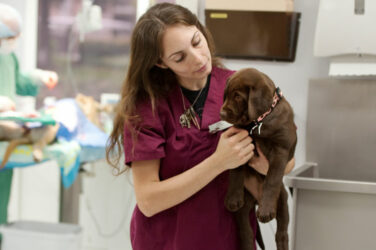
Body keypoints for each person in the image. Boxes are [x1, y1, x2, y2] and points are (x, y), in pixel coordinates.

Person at [106, 3, 295, 250]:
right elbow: (148, 200)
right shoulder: (147, 107)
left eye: (197, 42)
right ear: (161, 63)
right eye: (179, 57)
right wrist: (219, 162)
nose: (198, 59)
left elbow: (287, 158)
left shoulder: (242, 86)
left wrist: (263, 165)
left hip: (229, 239)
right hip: (168, 242)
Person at [0, 3, 58, 248]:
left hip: (2, 141)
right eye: (7, 38)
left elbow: (17, 80)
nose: (11, 43)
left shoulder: (6, 54)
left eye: (14, 38)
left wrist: (38, 77)